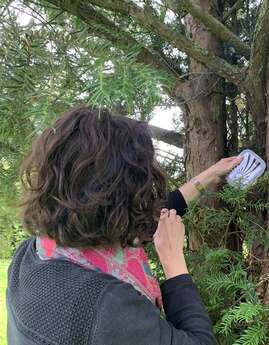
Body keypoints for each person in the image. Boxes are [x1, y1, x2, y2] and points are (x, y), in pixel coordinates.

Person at [6, 106, 242, 345]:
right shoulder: (109, 307)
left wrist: (209, 176)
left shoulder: (33, 254)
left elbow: (144, 216)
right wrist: (174, 263)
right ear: (115, 200)